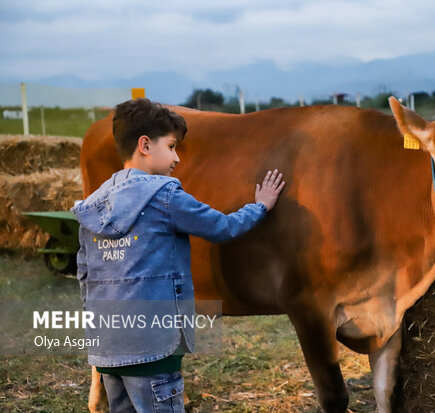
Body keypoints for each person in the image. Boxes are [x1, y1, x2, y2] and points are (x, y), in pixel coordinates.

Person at [71, 98, 285, 412]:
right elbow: (222, 228)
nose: (176, 158)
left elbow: (84, 274)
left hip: (108, 349)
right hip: (154, 348)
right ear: (145, 145)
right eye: (172, 146)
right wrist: (260, 206)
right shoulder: (166, 196)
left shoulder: (94, 204)